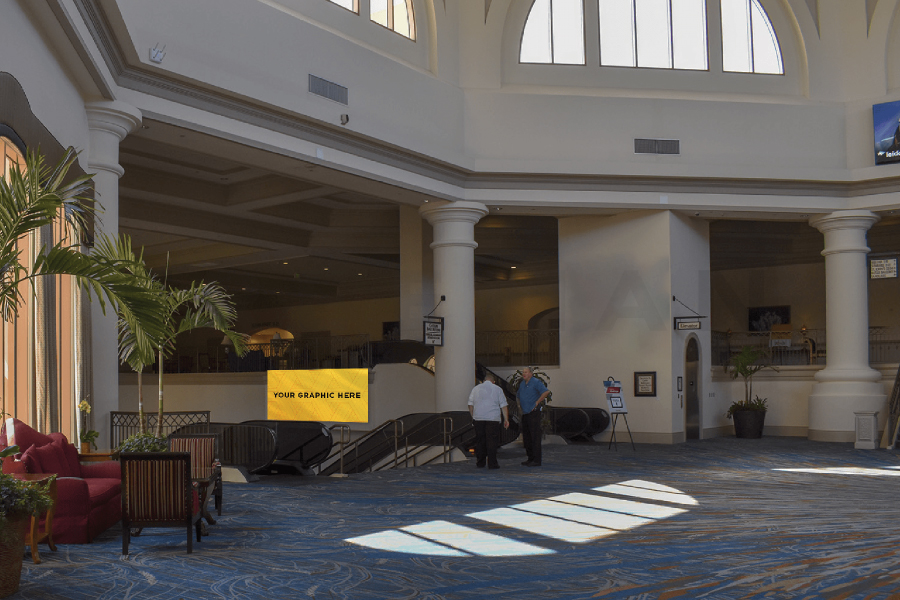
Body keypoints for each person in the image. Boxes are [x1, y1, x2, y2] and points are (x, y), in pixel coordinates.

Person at [468, 373, 509, 469]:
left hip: (479, 418)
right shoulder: (498, 389)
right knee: (492, 441)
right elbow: (503, 406)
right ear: (493, 382)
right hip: (493, 419)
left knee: (480, 441)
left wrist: (473, 416)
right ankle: (492, 463)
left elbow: (470, 405)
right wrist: (506, 419)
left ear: (483, 381)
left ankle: (480, 462)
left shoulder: (476, 389)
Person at [516, 366, 550, 467]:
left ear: (531, 373)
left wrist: (537, 402)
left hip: (533, 413)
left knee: (535, 437)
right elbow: (518, 395)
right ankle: (530, 458)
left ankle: (536, 460)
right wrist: (519, 407)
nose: (524, 374)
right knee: (527, 437)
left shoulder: (536, 382)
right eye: (523, 372)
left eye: (526, 372)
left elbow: (546, 392)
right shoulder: (522, 383)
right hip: (525, 413)